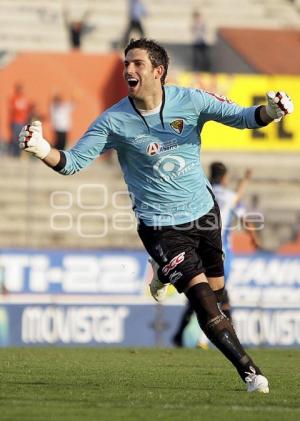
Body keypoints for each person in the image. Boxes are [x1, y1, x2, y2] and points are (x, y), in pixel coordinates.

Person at [18, 38, 293, 393]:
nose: (128, 70)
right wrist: (41, 148)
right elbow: (72, 164)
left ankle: (162, 272)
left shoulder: (191, 101)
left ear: (157, 71)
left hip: (205, 215)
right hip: (161, 227)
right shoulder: (114, 120)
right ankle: (251, 372)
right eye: (126, 64)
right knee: (204, 301)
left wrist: (270, 112)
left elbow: (242, 117)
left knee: (219, 295)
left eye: (137, 64)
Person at [172, 163, 261, 348]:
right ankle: (216, 339)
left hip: (197, 248)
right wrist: (254, 238)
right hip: (221, 252)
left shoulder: (202, 192)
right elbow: (244, 216)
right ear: (225, 177)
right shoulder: (230, 197)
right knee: (218, 294)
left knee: (200, 292)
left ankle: (181, 335)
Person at [9, 83, 30, 157]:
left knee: (21, 138)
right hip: (15, 121)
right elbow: (12, 110)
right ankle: (14, 153)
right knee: (15, 138)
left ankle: (19, 154)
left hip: (22, 122)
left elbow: (27, 110)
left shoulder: (24, 99)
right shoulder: (14, 98)